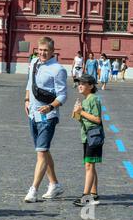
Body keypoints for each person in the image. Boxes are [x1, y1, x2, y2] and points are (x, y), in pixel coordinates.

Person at [24, 37, 67, 203]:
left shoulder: (58, 69)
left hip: (48, 116)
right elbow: (29, 83)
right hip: (33, 114)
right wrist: (26, 100)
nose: (42, 53)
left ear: (52, 51)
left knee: (41, 152)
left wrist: (51, 107)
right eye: (40, 50)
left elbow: (63, 94)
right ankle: (54, 184)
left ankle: (33, 190)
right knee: (43, 150)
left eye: (45, 51)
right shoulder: (34, 62)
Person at [72, 74, 103, 207]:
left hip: (94, 135)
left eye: (83, 83)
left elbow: (97, 119)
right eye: (79, 83)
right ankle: (94, 194)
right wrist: (76, 112)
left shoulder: (94, 99)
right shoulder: (84, 100)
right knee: (90, 165)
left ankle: (86, 197)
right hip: (86, 135)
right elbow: (80, 119)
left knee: (89, 165)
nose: (80, 85)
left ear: (91, 86)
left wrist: (82, 112)